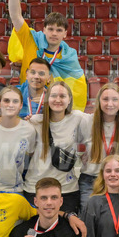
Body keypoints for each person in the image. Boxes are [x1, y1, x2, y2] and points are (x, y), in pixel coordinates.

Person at [8, 0, 88, 109]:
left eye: (59, 30)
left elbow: (77, 87)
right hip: (26, 104)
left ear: (65, 34)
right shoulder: (31, 40)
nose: (54, 33)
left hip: (53, 107)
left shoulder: (69, 56)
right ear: (44, 30)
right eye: (50, 29)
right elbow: (16, 16)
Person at [25, 79, 88, 212]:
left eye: (62, 96)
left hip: (66, 188)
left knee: (65, 231)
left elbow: (103, 118)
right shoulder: (35, 121)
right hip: (35, 187)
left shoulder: (77, 118)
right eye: (53, 96)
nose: (57, 100)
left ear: (69, 99)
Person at [78, 83, 119, 213]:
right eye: (105, 99)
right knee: (87, 219)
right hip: (90, 180)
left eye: (115, 99)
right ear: (99, 101)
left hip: (116, 182)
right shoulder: (86, 121)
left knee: (112, 222)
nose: (110, 104)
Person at [0, 86, 37, 193]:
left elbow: (31, 154)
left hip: (15, 190)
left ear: (20, 105)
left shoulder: (29, 130)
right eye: (6, 101)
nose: (10, 105)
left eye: (15, 101)